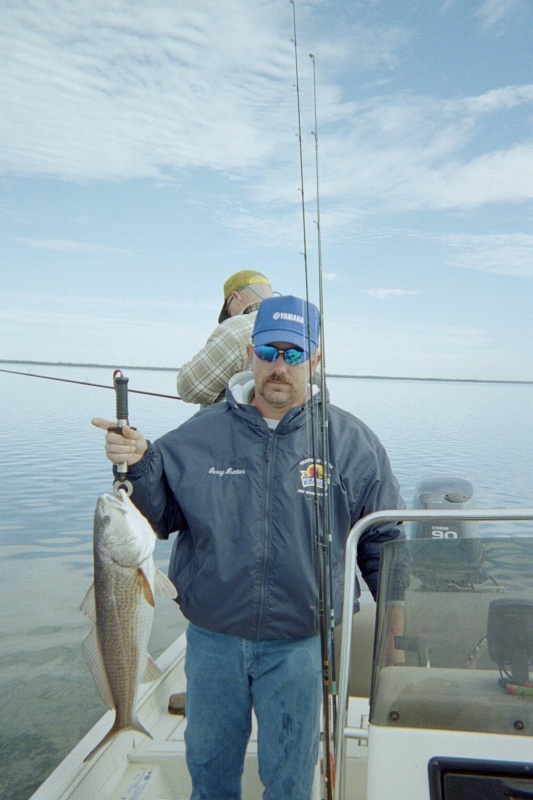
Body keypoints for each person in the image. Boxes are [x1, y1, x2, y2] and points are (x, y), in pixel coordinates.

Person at [92, 294, 404, 800]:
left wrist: (396, 638)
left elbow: (384, 546)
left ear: (316, 360)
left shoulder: (352, 443)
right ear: (248, 355)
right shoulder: (201, 433)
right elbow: (160, 512)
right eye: (267, 351)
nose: (279, 366)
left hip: (301, 645)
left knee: (289, 783)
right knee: (211, 776)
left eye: (294, 354)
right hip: (213, 642)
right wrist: (139, 461)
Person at [176, 269, 273, 406]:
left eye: (227, 309)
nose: (230, 315)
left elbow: (189, 388)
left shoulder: (235, 328)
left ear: (236, 297)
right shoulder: (302, 329)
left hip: (236, 426)